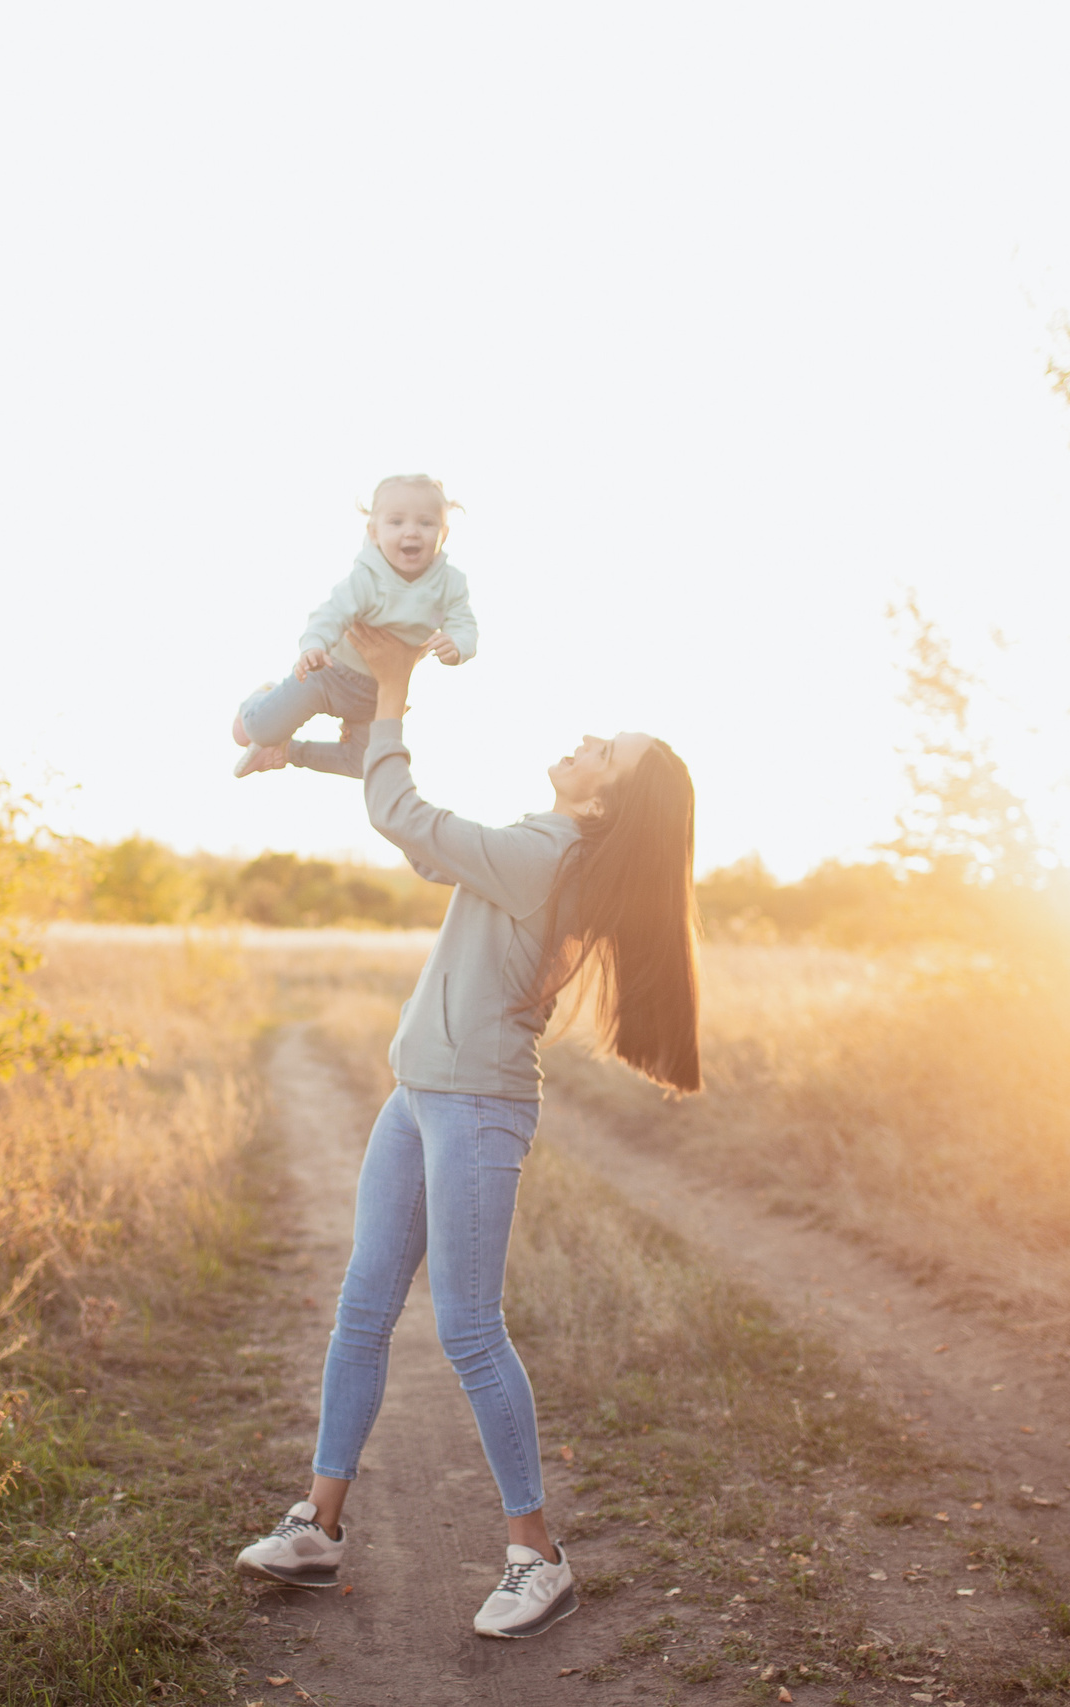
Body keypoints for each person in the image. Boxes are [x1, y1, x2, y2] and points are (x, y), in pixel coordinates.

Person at [235, 618, 702, 1639]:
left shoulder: (552, 859)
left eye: (604, 751)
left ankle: (538, 1555)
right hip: (420, 1097)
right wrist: (304, 750)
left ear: (606, 797)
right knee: (362, 1308)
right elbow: (408, 809)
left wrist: (395, 682)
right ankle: (317, 1525)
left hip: (479, 1108)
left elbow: (405, 813)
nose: (585, 741)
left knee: (466, 1330)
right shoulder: (542, 848)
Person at [231, 474, 478, 780]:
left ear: (445, 533)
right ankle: (263, 698)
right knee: (256, 728)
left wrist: (457, 645)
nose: (411, 532)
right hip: (329, 674)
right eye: (397, 522)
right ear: (373, 533)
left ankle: (288, 752)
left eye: (426, 523)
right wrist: (314, 646)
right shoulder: (367, 578)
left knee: (365, 765)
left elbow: (463, 622)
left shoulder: (449, 583)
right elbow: (331, 614)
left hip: (378, 694)